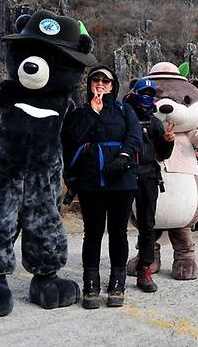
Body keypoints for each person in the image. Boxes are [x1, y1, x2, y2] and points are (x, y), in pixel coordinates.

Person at [61, 66, 142, 309]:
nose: (100, 83)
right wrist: (92, 114)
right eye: (95, 79)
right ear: (89, 84)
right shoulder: (80, 111)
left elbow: (135, 137)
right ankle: (91, 283)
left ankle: (117, 284)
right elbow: (70, 139)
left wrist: (123, 157)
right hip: (91, 181)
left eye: (105, 80)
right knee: (93, 233)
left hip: (122, 180)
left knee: (118, 233)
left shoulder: (124, 109)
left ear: (112, 85)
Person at [123, 78, 174, 293]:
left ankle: (145, 269)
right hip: (123, 174)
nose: (148, 97)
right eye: (144, 92)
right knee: (117, 226)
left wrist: (168, 141)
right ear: (134, 93)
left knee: (147, 225)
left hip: (149, 176)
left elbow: (161, 154)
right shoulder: (123, 116)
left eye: (151, 94)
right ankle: (116, 271)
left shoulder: (154, 122)